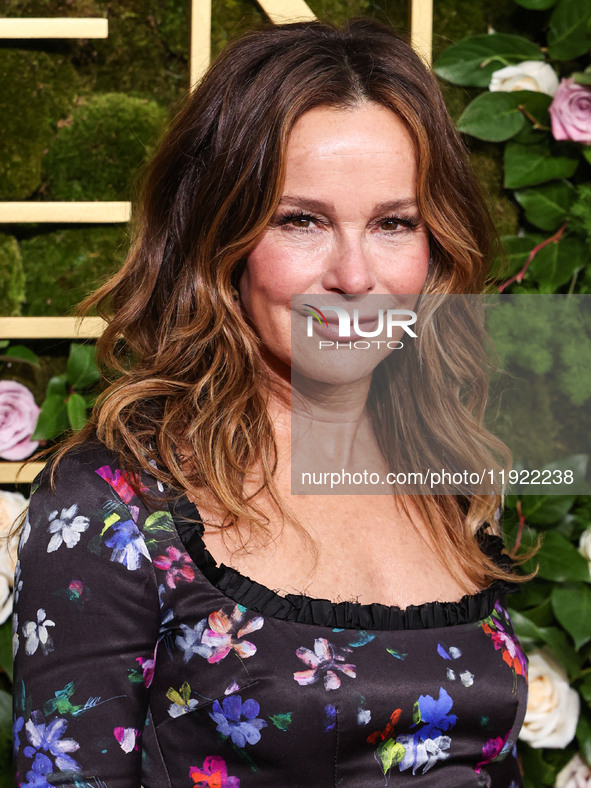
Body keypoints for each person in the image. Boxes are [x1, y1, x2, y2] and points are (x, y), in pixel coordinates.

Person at [13, 16, 534, 787]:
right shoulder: (114, 506)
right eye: (301, 221)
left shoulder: (447, 476)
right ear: (217, 237)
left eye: (394, 223)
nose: (355, 277)